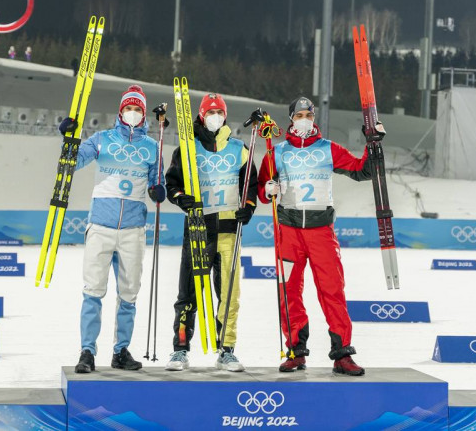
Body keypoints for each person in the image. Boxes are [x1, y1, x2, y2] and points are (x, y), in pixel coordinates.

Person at [257, 97, 385, 376]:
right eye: (299, 114)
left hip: (321, 232)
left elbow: (362, 172)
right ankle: (295, 351)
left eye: (308, 114)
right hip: (288, 231)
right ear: (291, 119)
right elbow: (261, 193)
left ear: (314, 118)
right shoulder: (276, 153)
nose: (304, 119)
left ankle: (342, 355)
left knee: (332, 290)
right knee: (288, 291)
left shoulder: (328, 149)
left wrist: (372, 143)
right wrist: (268, 189)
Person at [60, 84, 165, 374]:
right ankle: (87, 351)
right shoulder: (102, 139)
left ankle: (121, 351)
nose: (132, 113)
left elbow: (159, 184)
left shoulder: (151, 147)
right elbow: (72, 162)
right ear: (121, 111)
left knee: (129, 293)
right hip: (101, 226)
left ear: (143, 114)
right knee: (93, 290)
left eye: (137, 109)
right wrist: (69, 138)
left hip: (133, 229)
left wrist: (159, 191)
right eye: (128, 108)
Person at [164, 93, 258, 372]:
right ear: (201, 116)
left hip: (229, 230)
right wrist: (181, 198)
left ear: (224, 116)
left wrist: (248, 208)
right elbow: (172, 183)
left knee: (229, 294)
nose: (215, 116)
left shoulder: (239, 149)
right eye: (210, 112)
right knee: (189, 293)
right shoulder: (187, 147)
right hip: (198, 229)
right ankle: (180, 350)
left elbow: (249, 185)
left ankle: (226, 350)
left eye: (219, 112)